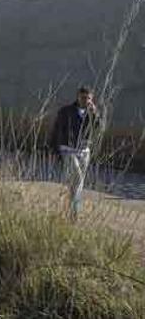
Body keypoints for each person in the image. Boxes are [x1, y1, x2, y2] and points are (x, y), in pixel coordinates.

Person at [50, 87, 101, 221]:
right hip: (68, 150)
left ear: (92, 99)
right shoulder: (66, 111)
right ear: (78, 97)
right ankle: (75, 212)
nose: (86, 101)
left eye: (89, 98)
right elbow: (56, 130)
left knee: (78, 184)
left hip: (84, 152)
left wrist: (94, 114)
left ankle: (73, 213)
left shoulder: (92, 114)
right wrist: (54, 149)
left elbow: (98, 128)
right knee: (77, 177)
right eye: (83, 97)